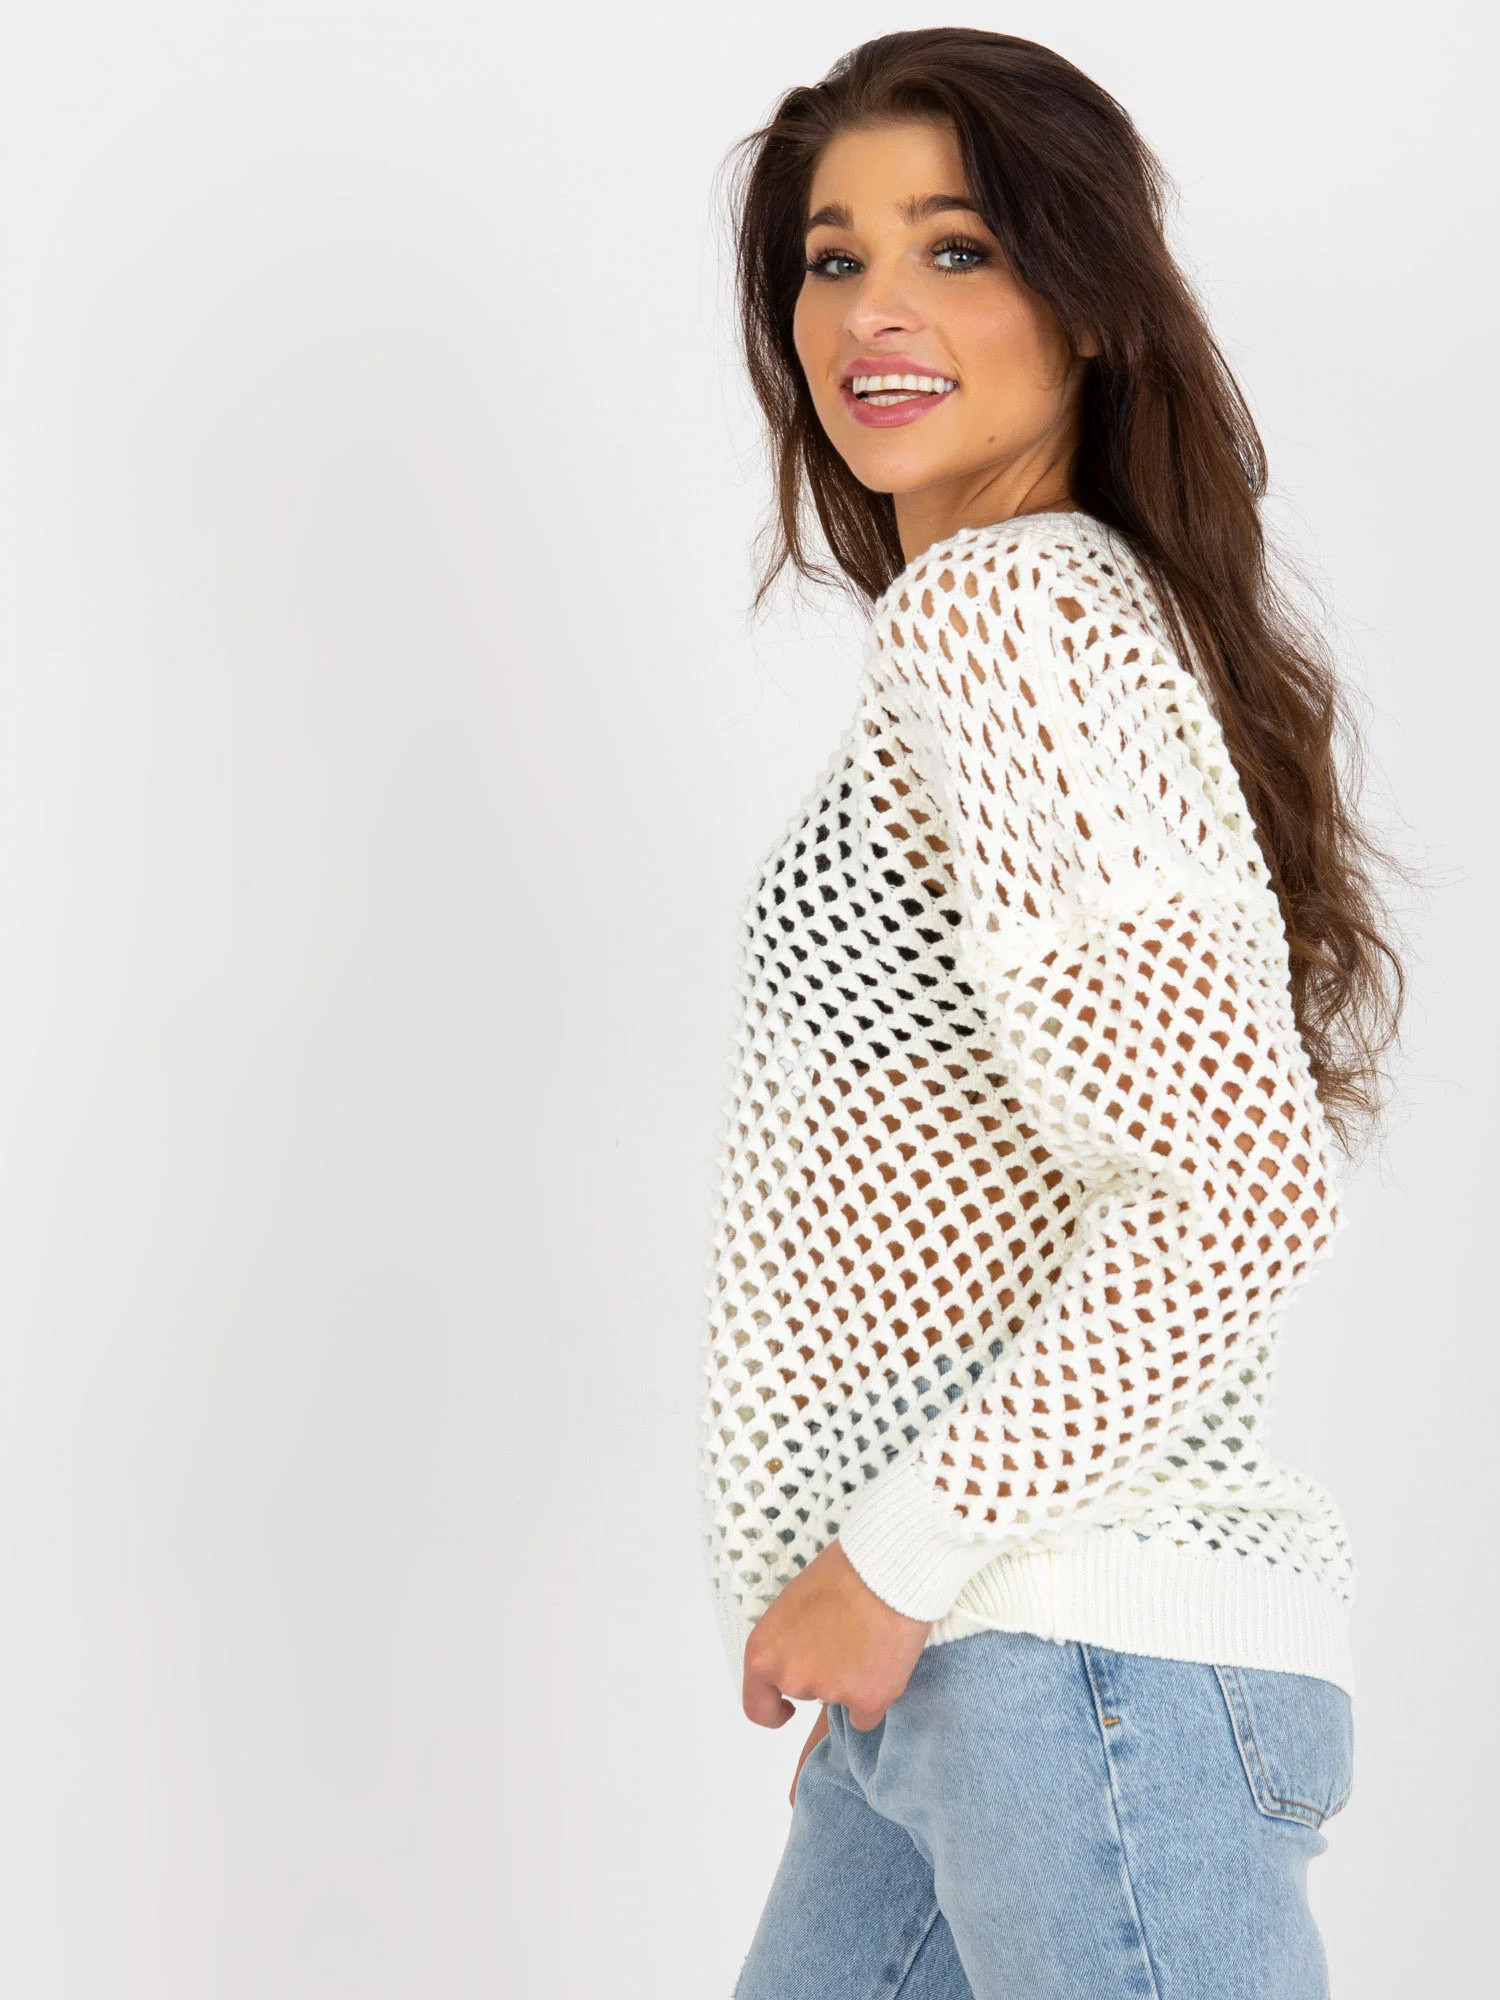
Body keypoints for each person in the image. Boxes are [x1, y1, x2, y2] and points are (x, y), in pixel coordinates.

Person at [695, 27, 1404, 2000]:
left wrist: (895, 1561)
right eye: (833, 259)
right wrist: (890, 1605)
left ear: (1088, 302)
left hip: (1069, 1662)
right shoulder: (1047, 625)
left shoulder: (1007, 620)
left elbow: (1240, 1190)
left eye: (959, 248)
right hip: (971, 1670)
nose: (876, 311)